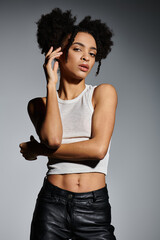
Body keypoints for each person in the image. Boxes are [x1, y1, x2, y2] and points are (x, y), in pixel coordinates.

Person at [19, 8, 118, 240]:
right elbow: (53, 139)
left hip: (94, 206)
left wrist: (39, 151)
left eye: (92, 54)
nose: (86, 57)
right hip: (51, 206)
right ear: (58, 53)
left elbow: (97, 150)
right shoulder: (38, 105)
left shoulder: (103, 93)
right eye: (77, 49)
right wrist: (50, 84)